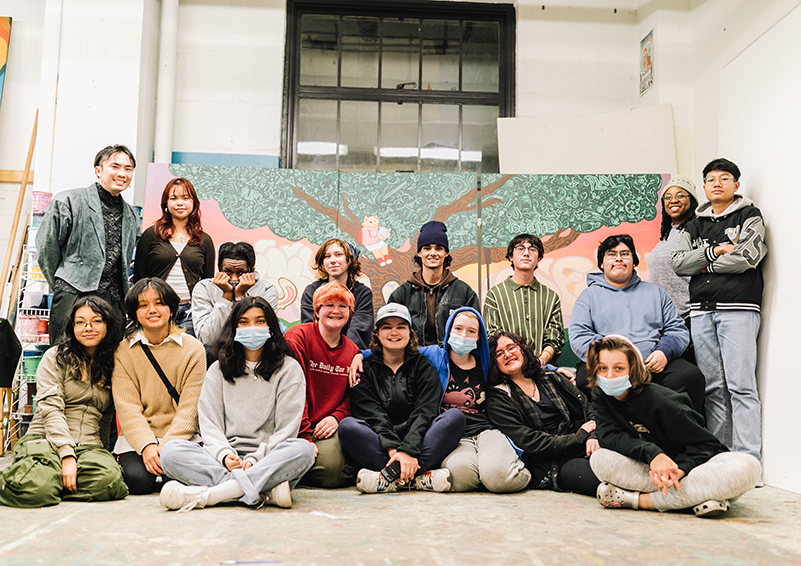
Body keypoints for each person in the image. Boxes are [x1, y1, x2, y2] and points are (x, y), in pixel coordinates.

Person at [349, 307, 531, 493]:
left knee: (455, 419)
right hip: (452, 438)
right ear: (448, 331)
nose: (463, 335)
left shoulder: (486, 362)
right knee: (460, 475)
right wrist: (359, 355)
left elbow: (523, 366)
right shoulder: (434, 355)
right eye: (458, 329)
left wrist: (556, 369)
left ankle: (388, 477)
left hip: (472, 429)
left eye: (471, 331)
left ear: (479, 337)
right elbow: (394, 348)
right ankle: (410, 476)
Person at [158, 297, 314, 511]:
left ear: (271, 327)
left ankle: (213, 495)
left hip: (268, 461)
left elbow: (286, 430)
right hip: (222, 460)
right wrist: (224, 455)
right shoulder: (217, 370)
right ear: (234, 328)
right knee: (170, 451)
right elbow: (209, 423)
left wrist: (255, 460)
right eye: (244, 322)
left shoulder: (289, 369)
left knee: (303, 450)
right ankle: (264, 492)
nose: (252, 327)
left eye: (260, 321)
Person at [586, 335, 761, 517]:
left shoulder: (663, 402)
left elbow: (707, 446)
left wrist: (679, 470)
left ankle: (642, 501)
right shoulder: (601, 394)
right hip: (652, 469)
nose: (609, 376)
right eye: (602, 368)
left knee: (748, 466)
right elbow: (608, 435)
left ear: (633, 369)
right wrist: (654, 455)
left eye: (619, 368)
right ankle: (698, 499)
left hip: (691, 469)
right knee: (599, 458)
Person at [672, 158, 767, 462]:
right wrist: (714, 251)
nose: (717, 183)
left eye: (724, 178)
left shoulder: (750, 216)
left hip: (738, 309)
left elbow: (746, 258)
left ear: (736, 185)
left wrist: (702, 265)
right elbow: (678, 264)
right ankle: (719, 459)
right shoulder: (693, 224)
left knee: (741, 386)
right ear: (704, 187)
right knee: (713, 388)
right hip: (700, 312)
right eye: (711, 179)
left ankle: (748, 459)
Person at [0, 297, 128, 507]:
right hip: (45, 440)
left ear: (108, 326)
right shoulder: (55, 357)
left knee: (111, 483)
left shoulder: (112, 363)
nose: (88, 328)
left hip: (89, 446)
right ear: (72, 326)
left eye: (96, 321)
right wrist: (67, 456)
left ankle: (48, 482)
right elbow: (51, 410)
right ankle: (40, 482)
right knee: (36, 491)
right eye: (80, 322)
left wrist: (103, 453)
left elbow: (105, 418)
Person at [569, 234, 704, 412]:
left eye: (625, 254)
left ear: (634, 261)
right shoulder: (588, 296)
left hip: (653, 364)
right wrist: (614, 360)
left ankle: (671, 434)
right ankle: (612, 436)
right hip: (608, 365)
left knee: (689, 377)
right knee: (585, 380)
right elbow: (580, 336)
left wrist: (663, 352)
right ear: (601, 264)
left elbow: (676, 330)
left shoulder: (656, 292)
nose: (618, 258)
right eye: (611, 254)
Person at [338, 303, 463, 493]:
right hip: (380, 440)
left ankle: (388, 477)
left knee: (455, 417)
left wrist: (409, 451)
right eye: (386, 327)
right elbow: (373, 415)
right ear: (377, 334)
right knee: (348, 426)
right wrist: (395, 451)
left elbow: (424, 412)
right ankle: (417, 477)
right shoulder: (364, 368)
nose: (394, 332)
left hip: (419, 439)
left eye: (400, 326)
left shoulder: (423, 366)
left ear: (410, 333)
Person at [36, 145, 141, 344]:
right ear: (98, 170)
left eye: (128, 169)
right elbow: (46, 248)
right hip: (73, 296)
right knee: (65, 358)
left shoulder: (131, 215)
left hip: (113, 301)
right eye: (115, 166)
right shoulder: (68, 201)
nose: (122, 173)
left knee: (110, 363)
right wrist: (63, 286)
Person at [112, 278, 206, 495]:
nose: (152, 310)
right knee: (137, 482)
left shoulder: (193, 349)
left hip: (181, 436)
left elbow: (190, 409)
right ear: (134, 313)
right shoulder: (123, 351)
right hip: (139, 438)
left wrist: (167, 448)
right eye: (143, 305)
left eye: (159, 303)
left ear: (172, 309)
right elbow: (127, 408)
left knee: (176, 479)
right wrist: (146, 446)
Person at [485, 332, 600, 496]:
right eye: (499, 353)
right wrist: (578, 437)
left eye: (511, 348)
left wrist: (593, 436)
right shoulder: (498, 397)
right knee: (602, 475)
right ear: (493, 362)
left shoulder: (550, 376)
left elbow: (588, 408)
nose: (508, 354)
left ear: (523, 350)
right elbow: (529, 441)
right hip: (553, 464)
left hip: (585, 445)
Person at [284, 281, 360, 487]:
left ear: (350, 313)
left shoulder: (353, 351)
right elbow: (292, 392)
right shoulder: (297, 337)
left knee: (330, 473)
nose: (336, 311)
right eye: (329, 305)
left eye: (343, 306)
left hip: (325, 428)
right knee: (322, 467)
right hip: (293, 425)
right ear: (317, 310)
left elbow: (352, 396)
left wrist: (337, 417)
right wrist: (304, 437)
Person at [133, 177, 215, 337]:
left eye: (185, 198)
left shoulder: (204, 240)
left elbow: (207, 283)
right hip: (156, 310)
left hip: (190, 312)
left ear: (194, 203)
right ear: (165, 203)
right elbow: (140, 278)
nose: (179, 203)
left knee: (185, 356)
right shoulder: (151, 235)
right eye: (173, 198)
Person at [388, 221, 479, 346]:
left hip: (452, 359)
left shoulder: (464, 292)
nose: (433, 253)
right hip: (413, 360)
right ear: (419, 253)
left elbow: (474, 332)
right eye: (427, 248)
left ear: (446, 253)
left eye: (438, 248)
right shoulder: (402, 294)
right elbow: (391, 333)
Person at [483, 234, 564, 366]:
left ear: (539, 258)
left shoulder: (551, 297)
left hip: (542, 367)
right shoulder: (495, 295)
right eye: (520, 248)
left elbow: (555, 338)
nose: (526, 253)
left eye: (532, 249)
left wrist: (542, 359)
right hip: (507, 368)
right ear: (511, 256)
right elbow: (492, 337)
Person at [192, 241, 279, 347]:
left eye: (241, 273)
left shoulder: (267, 290)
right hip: (217, 350)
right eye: (228, 272)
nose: (234, 278)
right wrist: (226, 296)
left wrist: (240, 297)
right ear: (220, 270)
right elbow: (207, 339)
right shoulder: (204, 287)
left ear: (252, 271)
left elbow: (257, 337)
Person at [300, 238, 374, 348]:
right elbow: (309, 327)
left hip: (350, 355)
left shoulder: (363, 293)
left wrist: (342, 354)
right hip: (317, 354)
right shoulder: (311, 291)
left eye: (338, 255)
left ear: (349, 260)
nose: (332, 260)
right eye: (327, 256)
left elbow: (359, 329)